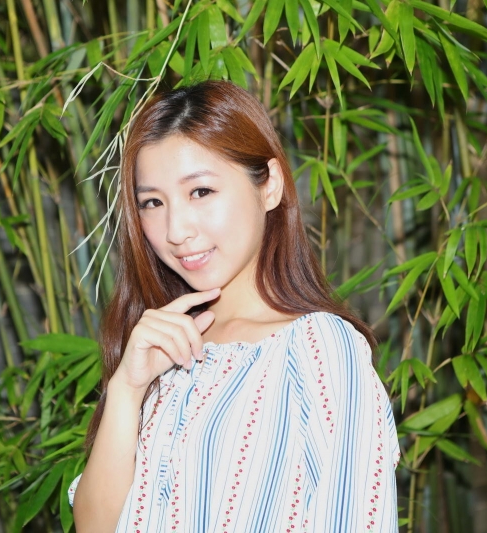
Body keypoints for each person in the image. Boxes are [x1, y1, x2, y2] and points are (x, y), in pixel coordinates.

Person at [69, 80, 400, 532]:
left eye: (201, 192)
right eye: (152, 202)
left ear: (270, 186)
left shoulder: (318, 347)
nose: (176, 230)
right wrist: (127, 388)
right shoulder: (160, 351)